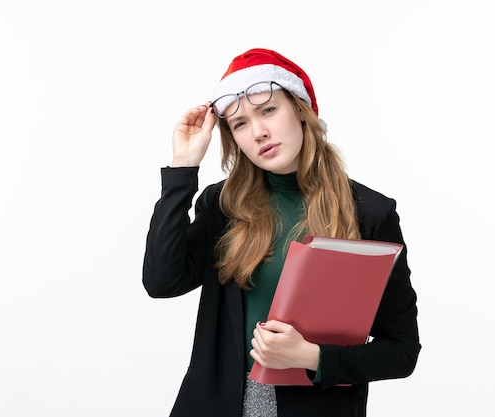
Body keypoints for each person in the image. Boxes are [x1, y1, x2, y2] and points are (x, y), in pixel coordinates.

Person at [142, 48, 420, 417]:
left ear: (301, 110)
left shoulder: (369, 212)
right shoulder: (222, 205)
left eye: (268, 110)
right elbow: (161, 281)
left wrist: (312, 357)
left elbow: (401, 351)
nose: (258, 132)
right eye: (240, 124)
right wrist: (182, 170)